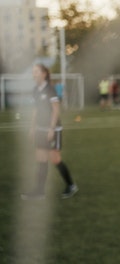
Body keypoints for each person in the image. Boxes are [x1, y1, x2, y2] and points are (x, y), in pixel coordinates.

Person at [22, 64, 78, 200]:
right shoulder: (35, 90)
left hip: (52, 130)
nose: (33, 74)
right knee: (41, 159)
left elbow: (56, 110)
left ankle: (71, 185)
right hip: (40, 129)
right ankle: (39, 192)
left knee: (55, 159)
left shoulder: (50, 89)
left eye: (36, 72)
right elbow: (36, 110)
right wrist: (32, 127)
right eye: (33, 72)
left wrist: (51, 129)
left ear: (44, 74)